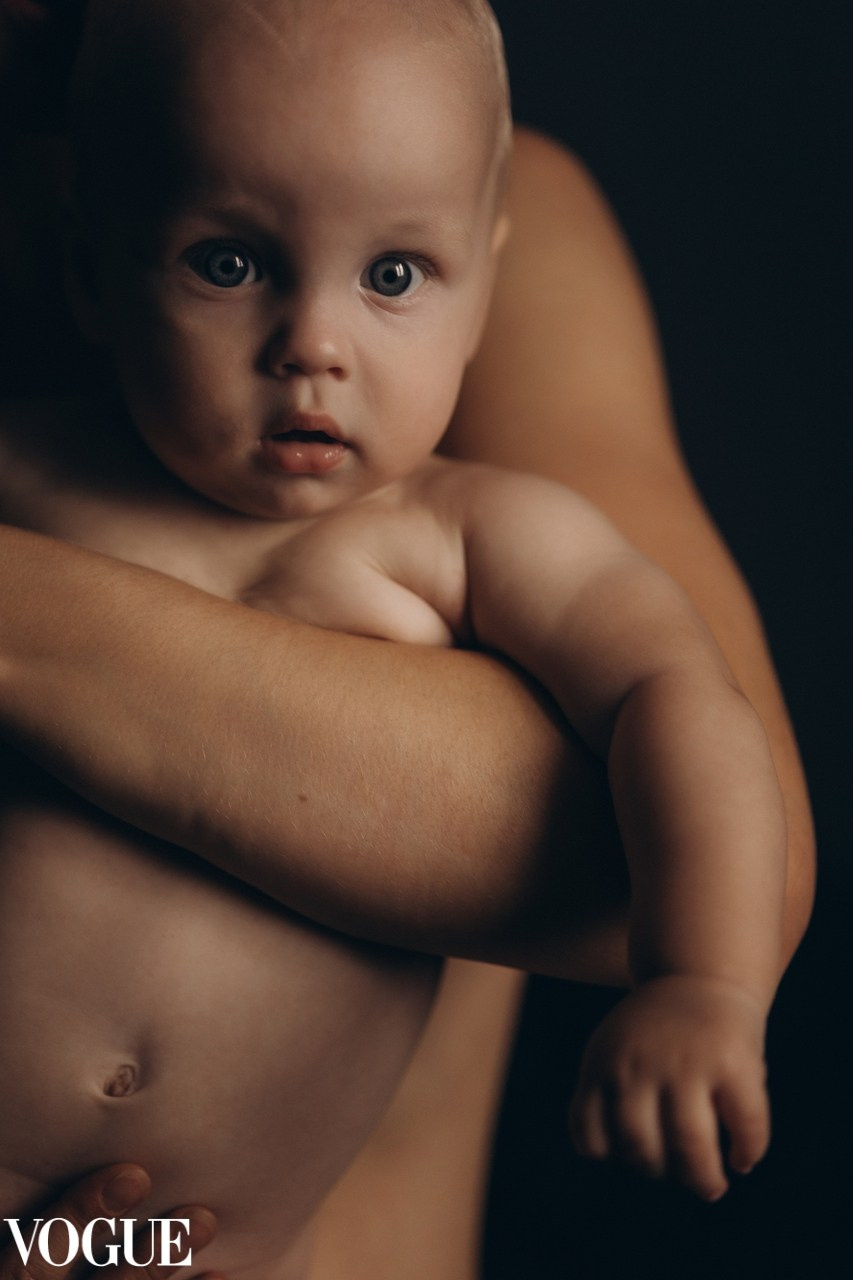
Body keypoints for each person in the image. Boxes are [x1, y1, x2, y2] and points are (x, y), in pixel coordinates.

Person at [0, 1, 815, 1278]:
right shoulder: (31, 466)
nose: (313, 346)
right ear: (91, 271)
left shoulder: (471, 534)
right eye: (227, 262)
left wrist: (703, 984)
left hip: (236, 1248)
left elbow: (680, 695)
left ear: (482, 284)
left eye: (392, 278)